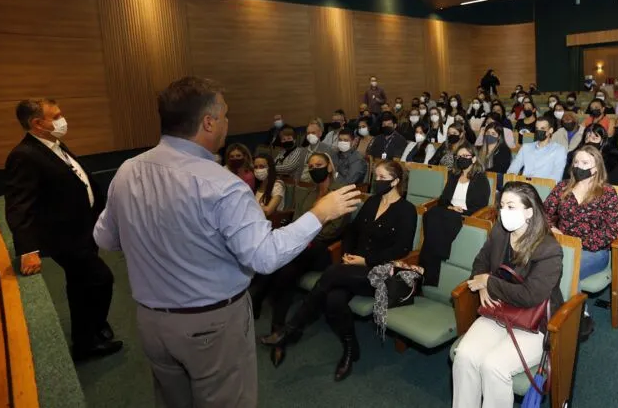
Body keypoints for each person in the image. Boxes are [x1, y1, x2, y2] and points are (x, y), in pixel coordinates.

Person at [93, 77, 361, 408]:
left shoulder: (127, 171)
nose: (227, 123)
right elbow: (264, 256)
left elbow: (105, 238)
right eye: (225, 115)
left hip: (152, 322)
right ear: (208, 122)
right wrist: (320, 213)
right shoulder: (222, 185)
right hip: (210, 326)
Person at [261, 161, 417, 380]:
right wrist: (347, 254)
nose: (377, 181)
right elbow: (351, 232)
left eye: (382, 178)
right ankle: (350, 349)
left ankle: (292, 329)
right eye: (376, 177)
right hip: (353, 268)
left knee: (333, 273)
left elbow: (402, 248)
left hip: (379, 272)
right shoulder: (372, 202)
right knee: (334, 300)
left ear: (396, 181)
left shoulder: (407, 210)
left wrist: (365, 260)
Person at [5, 99, 121, 361]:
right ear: (37, 123)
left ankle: (90, 332)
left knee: (80, 285)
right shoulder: (24, 155)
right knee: (101, 279)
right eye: (56, 116)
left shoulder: (51, 144)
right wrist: (28, 250)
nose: (62, 120)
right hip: (64, 237)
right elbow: (19, 205)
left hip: (82, 229)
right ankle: (87, 341)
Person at [452, 181, 563, 408]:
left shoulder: (549, 249)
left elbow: (530, 295)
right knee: (464, 355)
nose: (504, 212)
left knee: (494, 366)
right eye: (502, 206)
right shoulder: (500, 232)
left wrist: (489, 282)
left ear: (529, 212)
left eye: (511, 206)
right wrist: (482, 284)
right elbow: (480, 261)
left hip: (534, 322)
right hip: (499, 309)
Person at [252, 152, 351, 358]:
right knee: (287, 270)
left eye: (319, 165)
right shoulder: (307, 193)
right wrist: (301, 235)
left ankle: (259, 299)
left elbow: (334, 230)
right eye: (311, 166)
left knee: (288, 261)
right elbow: (297, 220)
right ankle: (278, 330)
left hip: (324, 249)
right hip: (302, 250)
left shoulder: (339, 194)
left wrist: (305, 235)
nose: (315, 169)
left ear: (329, 167)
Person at [546, 146, 618, 280]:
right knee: (538, 267)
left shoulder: (607, 192)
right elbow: (542, 213)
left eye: (585, 163)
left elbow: (614, 229)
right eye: (576, 162)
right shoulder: (562, 187)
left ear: (596, 167)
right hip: (563, 245)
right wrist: (552, 228)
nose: (578, 166)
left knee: (563, 273)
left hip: (593, 251)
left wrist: (581, 242)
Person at [420, 145, 490, 286]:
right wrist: (450, 207)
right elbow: (443, 199)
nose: (461, 159)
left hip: (466, 215)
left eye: (465, 156)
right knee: (430, 213)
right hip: (449, 210)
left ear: (473, 159)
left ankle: (430, 268)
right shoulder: (454, 175)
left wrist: (461, 211)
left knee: (443, 218)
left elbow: (481, 205)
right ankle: (429, 265)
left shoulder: (480, 179)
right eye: (459, 156)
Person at [508, 115, 567, 180]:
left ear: (551, 130)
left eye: (542, 128)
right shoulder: (526, 147)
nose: (539, 131)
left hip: (545, 185)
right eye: (537, 128)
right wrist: (511, 176)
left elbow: (557, 176)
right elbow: (513, 168)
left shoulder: (559, 150)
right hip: (524, 183)